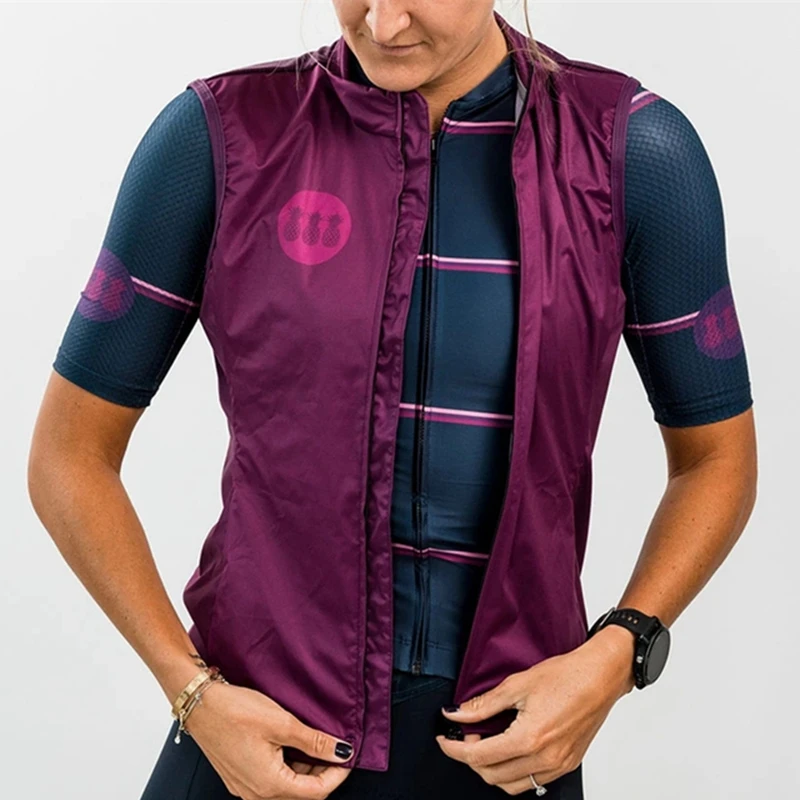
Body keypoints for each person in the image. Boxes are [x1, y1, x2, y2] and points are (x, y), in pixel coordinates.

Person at [27, 2, 757, 799]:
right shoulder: (221, 139)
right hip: (254, 750)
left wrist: (618, 652)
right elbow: (69, 454)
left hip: (510, 755)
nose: (382, 23)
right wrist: (191, 691)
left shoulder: (630, 152)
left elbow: (715, 461)